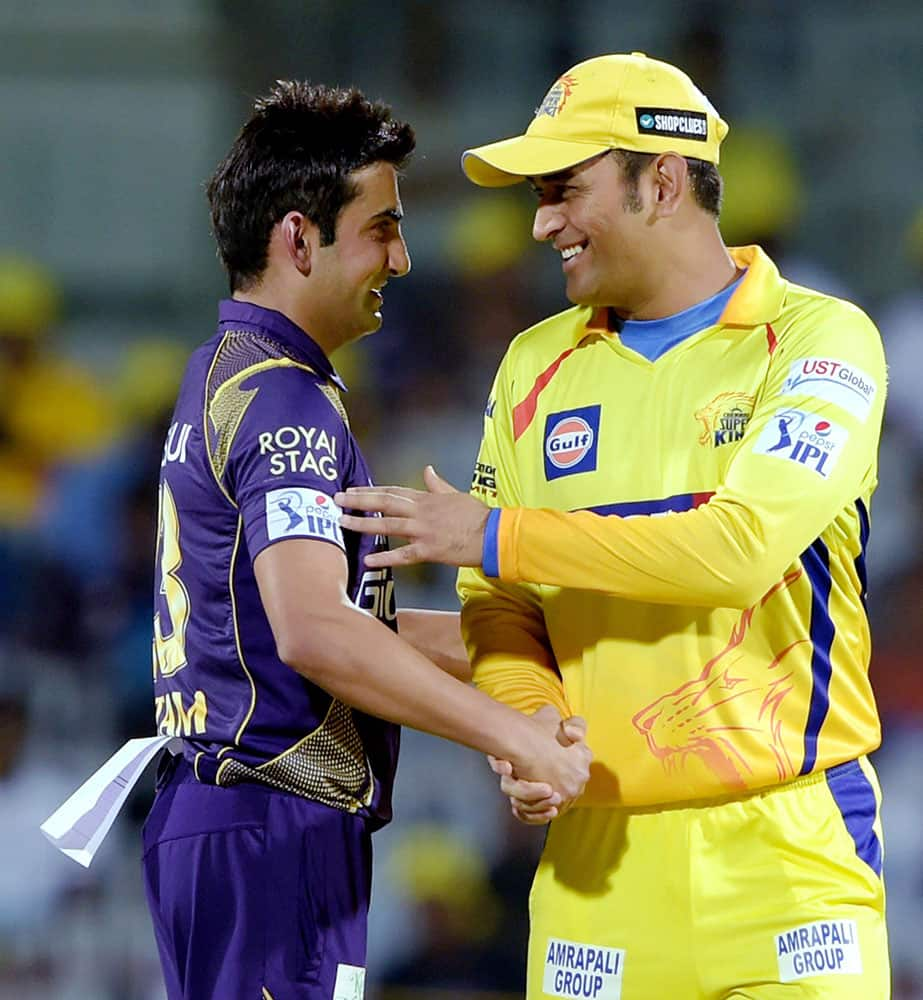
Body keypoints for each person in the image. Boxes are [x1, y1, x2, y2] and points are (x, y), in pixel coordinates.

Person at [335, 53, 890, 999]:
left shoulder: (818, 339)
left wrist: (496, 533)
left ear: (662, 180)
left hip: (790, 865)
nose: (541, 220)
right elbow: (500, 612)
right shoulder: (532, 364)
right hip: (594, 879)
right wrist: (531, 727)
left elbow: (737, 551)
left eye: (564, 189)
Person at [142, 81, 591, 1000]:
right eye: (382, 227)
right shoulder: (287, 401)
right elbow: (314, 632)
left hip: (231, 819)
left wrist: (542, 648)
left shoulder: (223, 372)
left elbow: (309, 628)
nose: (404, 257)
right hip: (272, 823)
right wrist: (515, 734)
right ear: (299, 238)